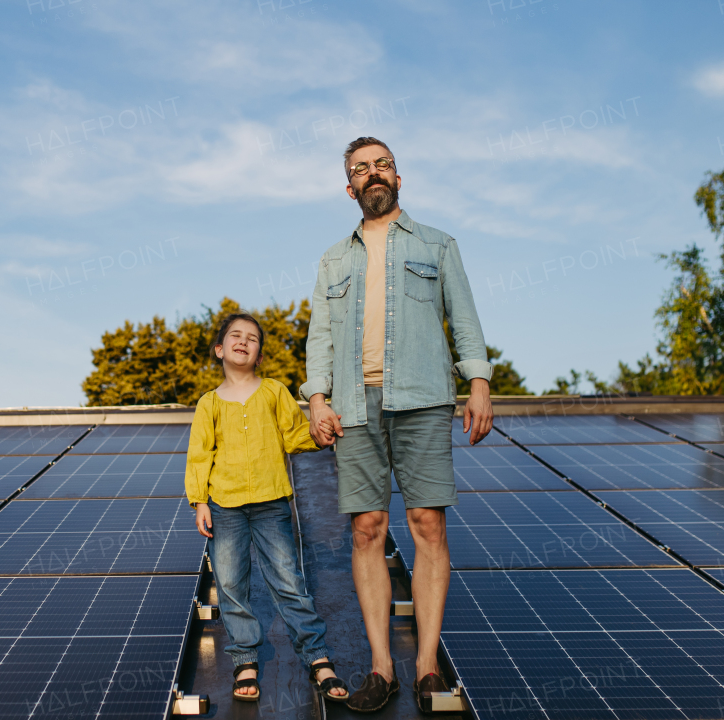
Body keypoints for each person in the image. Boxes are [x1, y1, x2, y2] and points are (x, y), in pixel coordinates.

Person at [300, 137, 494, 713]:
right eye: (360, 169)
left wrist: (478, 382)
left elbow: (464, 319)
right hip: (354, 407)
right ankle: (382, 668)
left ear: (398, 177)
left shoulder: (438, 244)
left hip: (424, 399)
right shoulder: (334, 258)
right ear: (349, 187)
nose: (372, 174)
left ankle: (428, 669)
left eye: (381, 164)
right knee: (366, 530)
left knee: (427, 524)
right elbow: (320, 337)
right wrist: (316, 397)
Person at [185, 313, 349, 704]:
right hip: (224, 507)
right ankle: (245, 659)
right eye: (235, 336)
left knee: (288, 581)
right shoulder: (208, 404)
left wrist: (320, 436)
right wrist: (199, 502)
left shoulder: (275, 392)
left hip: (272, 502)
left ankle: (317, 656)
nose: (244, 341)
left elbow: (295, 435)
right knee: (230, 585)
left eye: (253, 339)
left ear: (259, 355)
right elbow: (199, 456)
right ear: (220, 349)